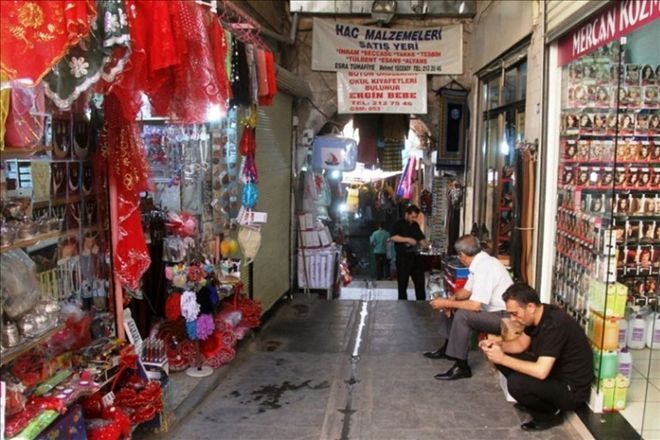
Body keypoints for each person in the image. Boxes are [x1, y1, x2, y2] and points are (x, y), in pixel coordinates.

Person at [480, 284, 593, 432]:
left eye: (515, 314)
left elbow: (541, 371)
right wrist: (497, 345)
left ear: (531, 307)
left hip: (571, 391)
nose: (513, 319)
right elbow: (520, 344)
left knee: (516, 383)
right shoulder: (536, 315)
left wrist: (502, 359)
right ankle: (535, 401)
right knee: (503, 356)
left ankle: (549, 414)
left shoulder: (554, 324)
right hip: (554, 373)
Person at [424, 234, 513, 381]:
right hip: (492, 312)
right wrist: (449, 301)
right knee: (450, 305)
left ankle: (462, 366)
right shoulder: (478, 263)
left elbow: (475, 305)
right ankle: (447, 348)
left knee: (462, 315)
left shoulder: (485, 267)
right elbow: (466, 291)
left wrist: (447, 303)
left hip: (503, 316)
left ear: (463, 255)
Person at [390, 205, 428, 300]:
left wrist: (425, 244)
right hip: (403, 259)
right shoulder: (398, 224)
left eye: (415, 217)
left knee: (419, 283)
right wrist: (407, 239)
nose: (413, 219)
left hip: (416, 258)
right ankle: (402, 303)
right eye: (412, 216)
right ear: (407, 214)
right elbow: (393, 237)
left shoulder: (415, 225)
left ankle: (421, 303)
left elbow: (420, 238)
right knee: (402, 284)